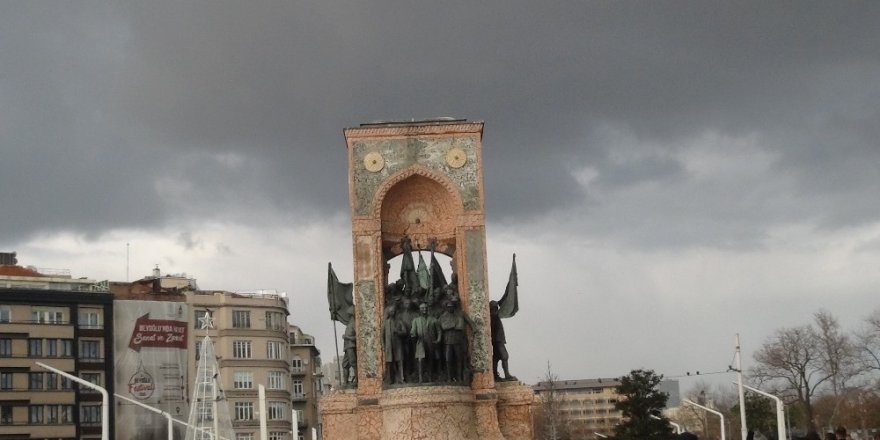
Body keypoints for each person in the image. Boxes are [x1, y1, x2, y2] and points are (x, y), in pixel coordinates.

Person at [439, 300, 472, 383]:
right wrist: (453, 325)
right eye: (449, 307)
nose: (450, 308)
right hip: (448, 342)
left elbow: (460, 327)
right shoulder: (443, 316)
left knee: (459, 359)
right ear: (446, 308)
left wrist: (451, 326)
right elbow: (443, 326)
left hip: (457, 341)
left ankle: (459, 377)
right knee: (448, 360)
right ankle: (449, 377)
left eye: (452, 307)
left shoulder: (459, 315)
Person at [410, 302, 440, 383]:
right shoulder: (416, 320)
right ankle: (420, 378)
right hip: (420, 342)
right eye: (422, 308)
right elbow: (413, 331)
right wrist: (413, 334)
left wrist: (438, 340)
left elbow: (439, 331)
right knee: (420, 360)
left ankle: (430, 377)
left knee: (430, 360)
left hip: (430, 341)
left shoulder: (433, 319)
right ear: (419, 310)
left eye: (426, 308)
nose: (424, 309)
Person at [489, 300, 514, 381]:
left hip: (498, 339)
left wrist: (509, 287)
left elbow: (502, 300)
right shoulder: (493, 316)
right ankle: (506, 375)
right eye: (494, 308)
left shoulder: (494, 316)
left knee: (496, 357)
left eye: (496, 308)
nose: (496, 310)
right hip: (497, 340)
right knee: (504, 356)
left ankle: (495, 375)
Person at [382, 306, 406, 384]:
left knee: (399, 361)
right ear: (389, 313)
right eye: (391, 311)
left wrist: (398, 332)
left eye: (394, 311)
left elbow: (404, 332)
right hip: (389, 346)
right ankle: (390, 379)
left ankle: (401, 379)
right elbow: (382, 335)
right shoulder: (386, 323)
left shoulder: (399, 321)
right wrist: (383, 346)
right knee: (389, 363)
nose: (393, 313)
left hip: (398, 345)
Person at [341, 314, 357, 386]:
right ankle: (345, 382)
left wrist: (347, 337)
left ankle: (358, 380)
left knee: (353, 363)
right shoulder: (348, 325)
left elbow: (357, 337)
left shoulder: (354, 324)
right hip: (347, 348)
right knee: (344, 365)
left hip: (351, 347)